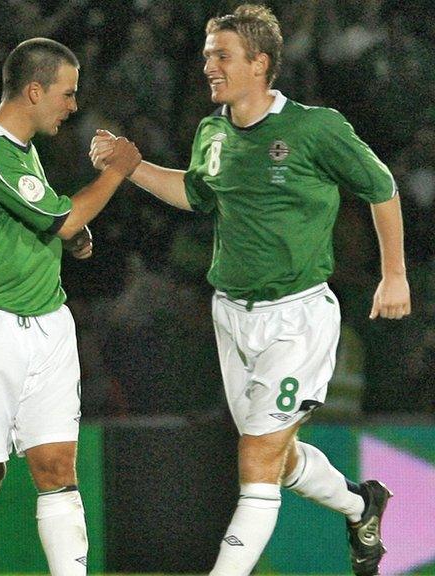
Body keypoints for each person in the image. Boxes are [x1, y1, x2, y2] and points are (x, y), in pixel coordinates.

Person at [91, 5, 410, 576]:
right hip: (231, 317)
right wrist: (133, 166)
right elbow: (196, 194)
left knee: (256, 457)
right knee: (278, 459)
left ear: (259, 64)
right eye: (207, 54)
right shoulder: (212, 132)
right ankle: (362, 504)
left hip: (297, 318)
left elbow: (381, 187)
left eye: (221, 55)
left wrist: (394, 274)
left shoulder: (316, 128)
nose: (208, 65)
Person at [0, 37, 141, 575]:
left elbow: (46, 219)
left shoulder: (24, 153)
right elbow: (62, 216)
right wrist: (119, 169)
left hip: (47, 321)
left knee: (56, 466)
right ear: (33, 91)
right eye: (66, 94)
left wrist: (66, 238)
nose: (72, 106)